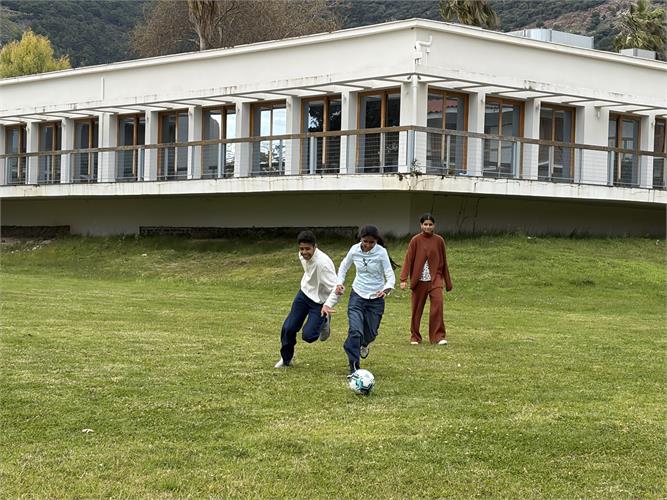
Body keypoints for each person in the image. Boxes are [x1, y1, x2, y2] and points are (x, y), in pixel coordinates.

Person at [326, 225, 396, 375]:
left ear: (376, 241)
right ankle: (354, 367)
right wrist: (339, 283)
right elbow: (343, 266)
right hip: (357, 295)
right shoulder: (354, 250)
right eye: (365, 241)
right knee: (355, 331)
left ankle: (363, 344)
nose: (368, 245)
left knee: (370, 334)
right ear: (360, 239)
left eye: (372, 242)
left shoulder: (381, 252)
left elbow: (390, 275)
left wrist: (386, 289)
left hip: (376, 298)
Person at [275, 230, 339, 368]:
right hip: (304, 295)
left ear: (315, 247)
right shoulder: (302, 255)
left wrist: (328, 305)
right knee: (288, 328)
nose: (304, 252)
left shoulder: (323, 264)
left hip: (319, 302)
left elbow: (337, 288)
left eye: (307, 249)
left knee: (309, 336)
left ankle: (325, 319)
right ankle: (286, 359)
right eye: (301, 249)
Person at [399, 213, 453, 345]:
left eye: (430, 224)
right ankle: (415, 336)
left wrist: (448, 282)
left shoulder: (439, 240)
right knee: (416, 309)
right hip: (419, 280)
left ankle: (438, 336)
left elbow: (444, 261)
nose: (428, 227)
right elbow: (408, 259)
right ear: (421, 225)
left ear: (434, 225)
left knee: (438, 306)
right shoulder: (415, 240)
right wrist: (403, 279)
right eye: (425, 224)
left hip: (435, 280)